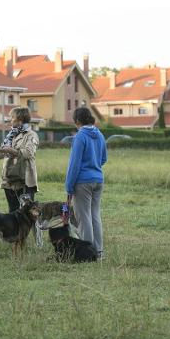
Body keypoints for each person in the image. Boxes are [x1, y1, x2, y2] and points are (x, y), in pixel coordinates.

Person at [64, 107, 107, 260]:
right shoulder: (100, 134)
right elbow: (103, 159)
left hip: (82, 182)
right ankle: (99, 251)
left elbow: (74, 164)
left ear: (77, 121)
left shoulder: (80, 136)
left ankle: (88, 253)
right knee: (95, 215)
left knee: (84, 218)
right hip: (98, 180)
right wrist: (94, 167)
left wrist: (68, 186)